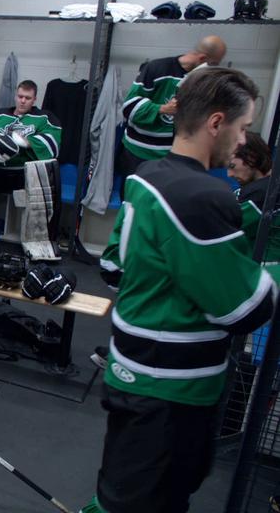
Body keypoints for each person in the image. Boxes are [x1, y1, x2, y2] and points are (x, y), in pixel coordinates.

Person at [86, 67, 277, 513]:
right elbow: (246, 310)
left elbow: (113, 268)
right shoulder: (203, 198)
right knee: (153, 502)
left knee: (123, 491)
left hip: (130, 371)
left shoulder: (146, 175)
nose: (243, 140)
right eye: (244, 127)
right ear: (216, 123)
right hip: (170, 394)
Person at [0, 79, 63, 260]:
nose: (23, 101)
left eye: (28, 98)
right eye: (20, 96)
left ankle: (37, 244)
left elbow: (53, 146)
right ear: (15, 96)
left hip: (24, 175)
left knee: (44, 173)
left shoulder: (45, 118)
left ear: (34, 99)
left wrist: (24, 142)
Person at [118, 35, 227, 186]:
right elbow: (129, 107)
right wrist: (162, 108)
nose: (214, 68)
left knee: (163, 202)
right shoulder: (156, 69)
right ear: (202, 58)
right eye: (214, 63)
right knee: (134, 199)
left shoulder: (203, 79)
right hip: (139, 153)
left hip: (173, 156)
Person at [228, 132, 279, 262]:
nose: (229, 174)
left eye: (232, 166)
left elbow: (224, 228)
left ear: (251, 157)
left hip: (262, 268)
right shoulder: (265, 184)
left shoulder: (261, 192)